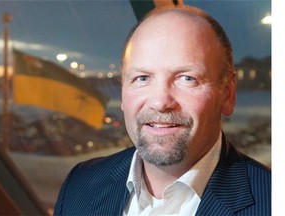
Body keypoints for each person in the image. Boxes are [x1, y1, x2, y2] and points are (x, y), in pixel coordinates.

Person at [54, 5, 271, 216]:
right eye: (142, 78)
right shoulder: (80, 184)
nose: (159, 102)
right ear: (122, 91)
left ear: (228, 94)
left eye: (187, 78)